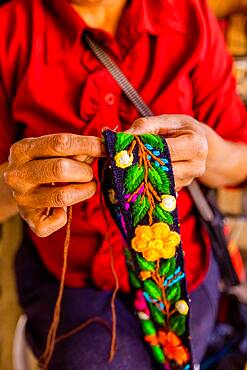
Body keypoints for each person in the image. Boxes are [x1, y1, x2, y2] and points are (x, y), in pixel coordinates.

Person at [0, 0, 247, 369]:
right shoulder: (10, 28)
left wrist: (206, 151)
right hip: (74, 283)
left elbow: (240, 164)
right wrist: (15, 187)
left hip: (184, 266)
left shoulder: (187, 14)